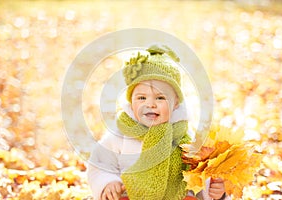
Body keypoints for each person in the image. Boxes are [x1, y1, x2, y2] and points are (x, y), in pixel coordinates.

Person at [87, 45, 228, 200]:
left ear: (175, 104)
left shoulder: (184, 139)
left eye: (160, 98)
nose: (150, 104)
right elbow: (99, 164)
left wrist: (215, 190)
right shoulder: (120, 135)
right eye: (141, 98)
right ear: (131, 102)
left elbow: (197, 177)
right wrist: (108, 183)